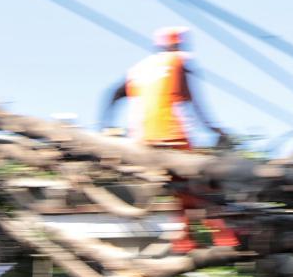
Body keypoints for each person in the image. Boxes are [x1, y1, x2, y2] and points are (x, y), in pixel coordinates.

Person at [99, 27, 238, 253]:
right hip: (173, 135)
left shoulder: (139, 68)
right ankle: (225, 238)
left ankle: (185, 239)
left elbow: (113, 94)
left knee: (182, 188)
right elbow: (195, 104)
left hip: (143, 139)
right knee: (202, 185)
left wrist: (105, 127)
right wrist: (216, 130)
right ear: (179, 44)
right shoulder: (179, 62)